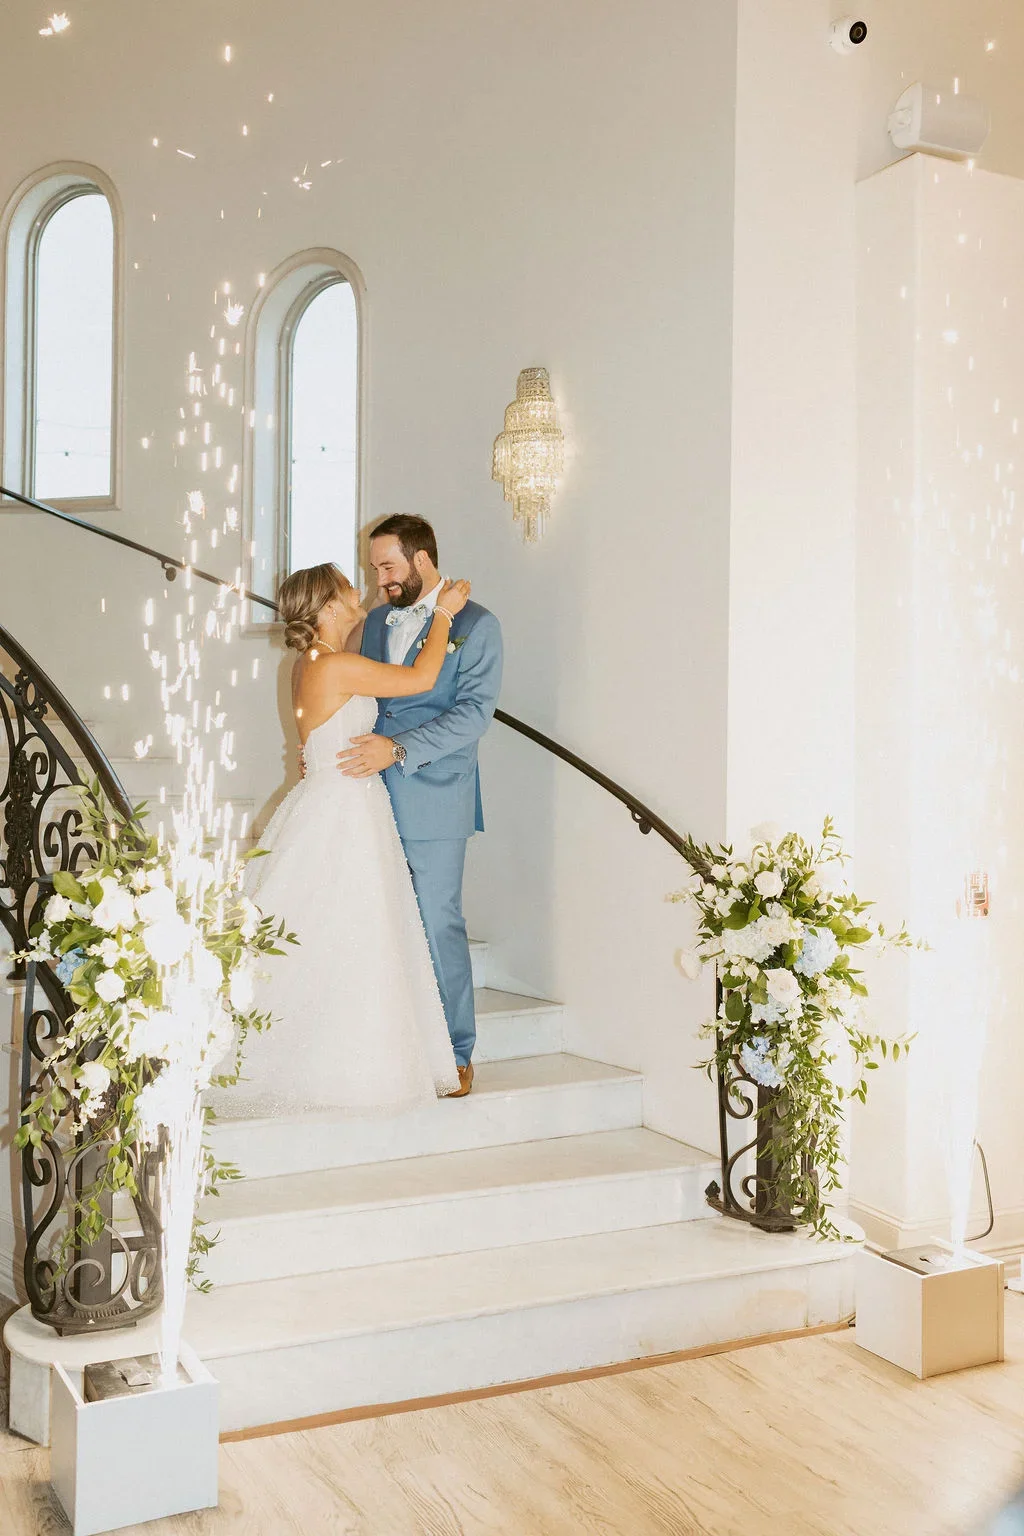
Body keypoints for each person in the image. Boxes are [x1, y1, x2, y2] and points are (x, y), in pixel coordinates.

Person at [237, 562, 471, 1115]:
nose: (359, 594)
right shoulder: (334, 664)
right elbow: (420, 680)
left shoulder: (312, 662)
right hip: (342, 811)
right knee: (351, 927)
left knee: (340, 931)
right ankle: (347, 1067)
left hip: (341, 802)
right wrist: (443, 613)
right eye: (348, 588)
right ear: (328, 606)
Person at [336, 515, 503, 1098]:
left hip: (435, 793)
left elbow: (473, 715)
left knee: (437, 924)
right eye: (374, 566)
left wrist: (399, 747)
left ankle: (456, 1052)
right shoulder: (379, 620)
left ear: (423, 560)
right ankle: (391, 1046)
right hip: (370, 793)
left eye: (387, 566)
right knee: (378, 920)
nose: (378, 578)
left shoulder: (479, 625)